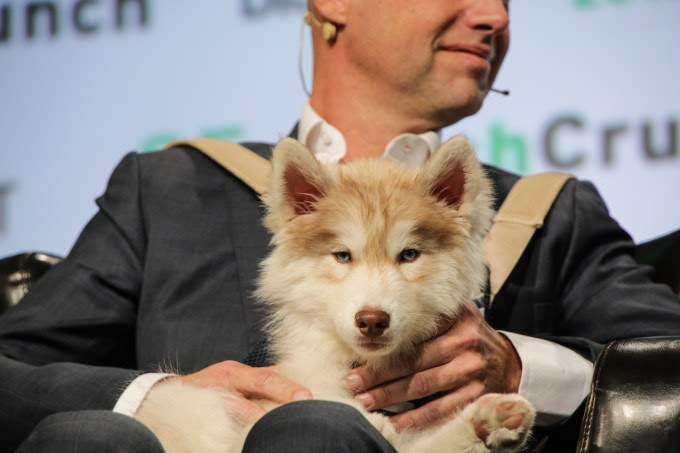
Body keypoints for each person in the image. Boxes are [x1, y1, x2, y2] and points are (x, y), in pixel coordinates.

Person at [1, 0, 679, 451]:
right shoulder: (170, 188)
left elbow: (667, 364)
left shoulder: (549, 209)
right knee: (90, 438)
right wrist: (152, 397)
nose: (495, 15)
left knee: (317, 431)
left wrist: (519, 366)